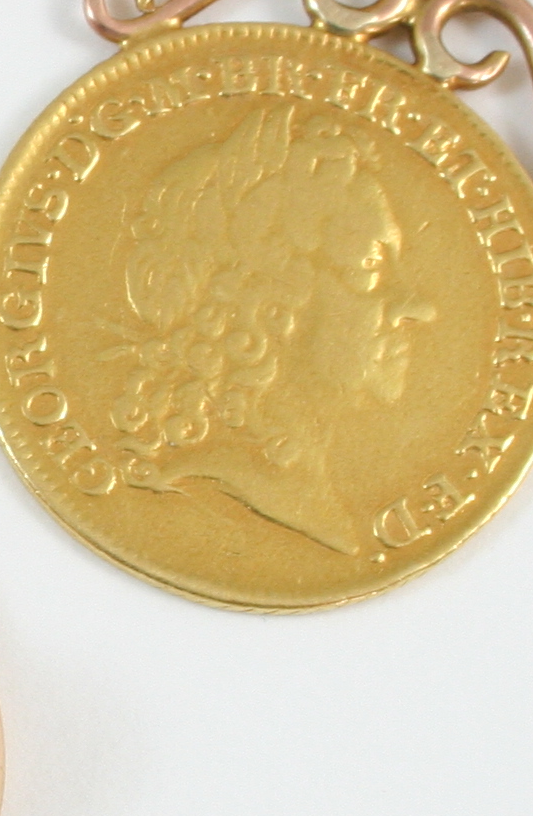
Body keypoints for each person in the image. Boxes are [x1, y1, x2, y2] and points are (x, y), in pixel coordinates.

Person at [102, 102, 437, 555]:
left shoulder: (313, 497)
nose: (418, 308)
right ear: (275, 301)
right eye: (372, 265)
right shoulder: (205, 490)